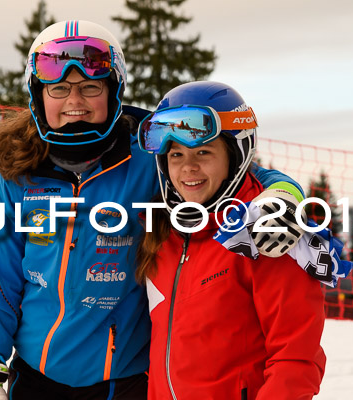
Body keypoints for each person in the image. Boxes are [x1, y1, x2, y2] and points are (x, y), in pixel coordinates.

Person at [0, 20, 314, 400]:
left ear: (113, 91)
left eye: (90, 87)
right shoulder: (17, 174)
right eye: (59, 89)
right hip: (35, 377)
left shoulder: (149, 157)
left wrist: (283, 194)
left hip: (124, 381)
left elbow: (237, 167)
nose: (74, 102)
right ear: (38, 95)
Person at [135, 81, 331, 400]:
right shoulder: (162, 232)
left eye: (203, 152)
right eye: (176, 154)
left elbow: (297, 361)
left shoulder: (270, 234)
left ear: (235, 156)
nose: (188, 167)